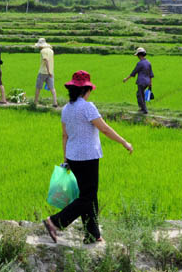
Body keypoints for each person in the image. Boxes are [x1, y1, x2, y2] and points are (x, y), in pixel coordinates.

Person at [42, 71, 133, 245]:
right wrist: (124, 142)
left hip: (73, 157)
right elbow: (104, 129)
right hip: (88, 157)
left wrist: (66, 159)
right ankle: (54, 222)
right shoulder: (87, 107)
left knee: (88, 195)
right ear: (86, 90)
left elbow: (64, 135)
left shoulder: (66, 109)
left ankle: (92, 234)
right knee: (87, 197)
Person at [122, 48, 154, 115]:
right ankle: (142, 108)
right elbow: (151, 74)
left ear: (140, 55)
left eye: (138, 55)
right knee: (140, 94)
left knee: (140, 95)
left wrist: (126, 79)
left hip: (141, 82)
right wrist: (150, 83)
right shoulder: (148, 63)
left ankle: (144, 110)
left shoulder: (140, 63)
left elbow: (134, 72)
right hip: (147, 82)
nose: (137, 57)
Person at [33, 38, 58, 108]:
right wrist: (50, 71)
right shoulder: (51, 50)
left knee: (38, 87)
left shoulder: (43, 51)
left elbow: (46, 60)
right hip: (51, 72)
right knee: (52, 88)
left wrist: (48, 70)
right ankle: (55, 102)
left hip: (43, 72)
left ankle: (35, 102)